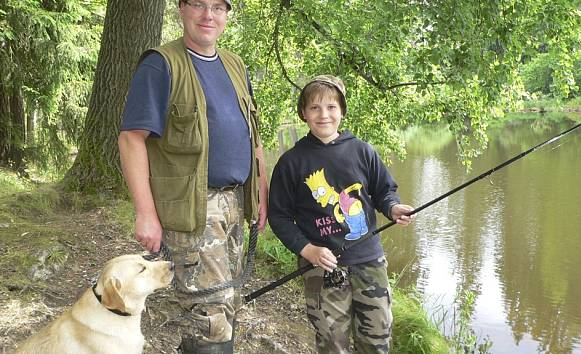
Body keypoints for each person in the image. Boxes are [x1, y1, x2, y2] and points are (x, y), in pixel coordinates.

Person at [117, 0, 268, 352]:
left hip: (235, 204)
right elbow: (131, 138)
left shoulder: (235, 64)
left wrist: (261, 189)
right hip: (193, 210)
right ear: (181, 9)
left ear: (228, 14)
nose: (208, 14)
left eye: (218, 6)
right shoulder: (160, 65)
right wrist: (146, 213)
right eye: (198, 4)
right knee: (210, 320)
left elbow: (253, 134)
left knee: (227, 309)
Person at [268, 75, 414, 354]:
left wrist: (393, 208)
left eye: (331, 107)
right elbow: (280, 217)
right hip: (321, 268)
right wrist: (307, 249)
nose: (324, 115)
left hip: (368, 261)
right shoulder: (291, 162)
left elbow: (384, 191)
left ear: (342, 111)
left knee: (376, 340)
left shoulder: (362, 151)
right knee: (332, 344)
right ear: (303, 113)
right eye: (315, 108)